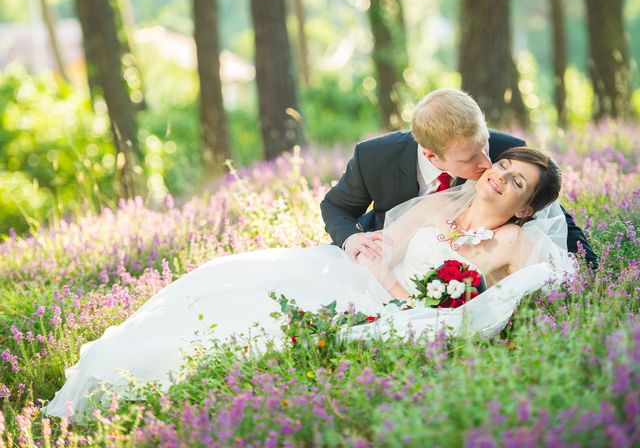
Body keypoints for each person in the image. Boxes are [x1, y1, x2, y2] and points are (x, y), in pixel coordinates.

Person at [44, 146, 572, 421]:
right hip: (368, 285)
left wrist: (435, 311)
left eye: (517, 181)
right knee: (239, 288)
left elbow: (530, 289)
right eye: (502, 164)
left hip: (412, 314)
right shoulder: (437, 204)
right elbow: (381, 252)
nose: (499, 174)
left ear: (526, 207)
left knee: (269, 331)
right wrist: (393, 289)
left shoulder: (514, 244)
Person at [321, 88, 597, 267]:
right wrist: (351, 239)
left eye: (485, 145)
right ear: (432, 157)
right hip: (384, 257)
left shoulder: (507, 154)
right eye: (470, 159)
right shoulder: (375, 157)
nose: (488, 163)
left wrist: (588, 268)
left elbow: (549, 209)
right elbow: (335, 206)